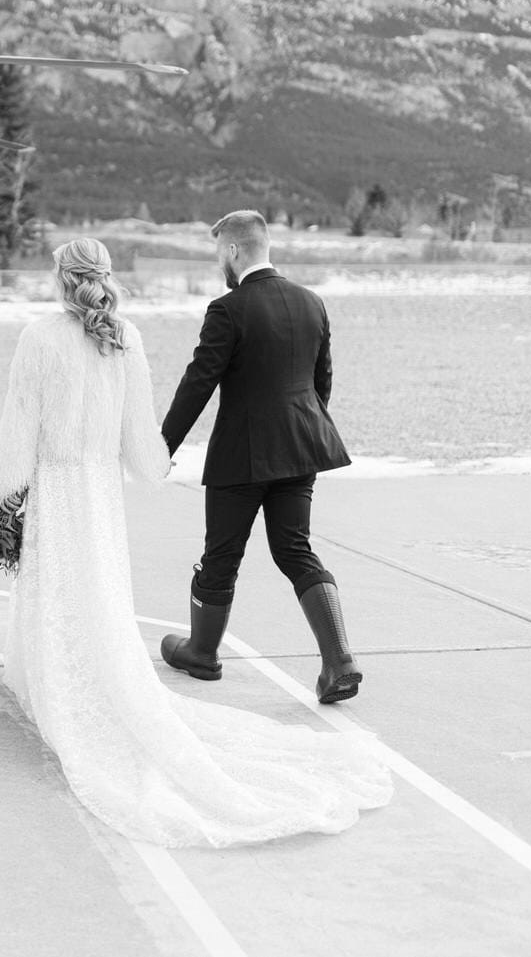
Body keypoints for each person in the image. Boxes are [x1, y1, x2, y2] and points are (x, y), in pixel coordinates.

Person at [0, 236, 390, 848]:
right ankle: (332, 659)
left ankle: (155, 661)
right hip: (119, 483)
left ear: (60, 278)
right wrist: (154, 465)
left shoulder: (41, 337)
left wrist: (3, 496)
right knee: (273, 554)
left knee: (96, 573)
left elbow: (23, 419)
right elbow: (316, 382)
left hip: (74, 482)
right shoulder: (129, 334)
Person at [160, 211, 360, 704]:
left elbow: (198, 383)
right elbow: (321, 384)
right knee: (294, 550)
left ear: (232, 250)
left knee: (222, 556)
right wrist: (301, 435)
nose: (218, 264)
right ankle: (339, 663)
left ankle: (201, 654)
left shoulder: (228, 309)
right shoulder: (312, 303)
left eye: (217, 253)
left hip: (242, 456)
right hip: (302, 448)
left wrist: (162, 446)